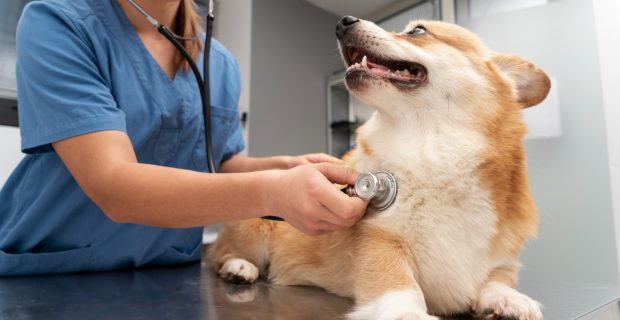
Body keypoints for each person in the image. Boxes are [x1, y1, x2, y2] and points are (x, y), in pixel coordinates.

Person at [0, 0, 367, 276]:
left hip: (164, 272)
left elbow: (217, 164)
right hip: (52, 274)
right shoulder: (60, 22)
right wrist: (275, 192)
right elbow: (113, 185)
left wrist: (286, 167)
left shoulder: (219, 62)